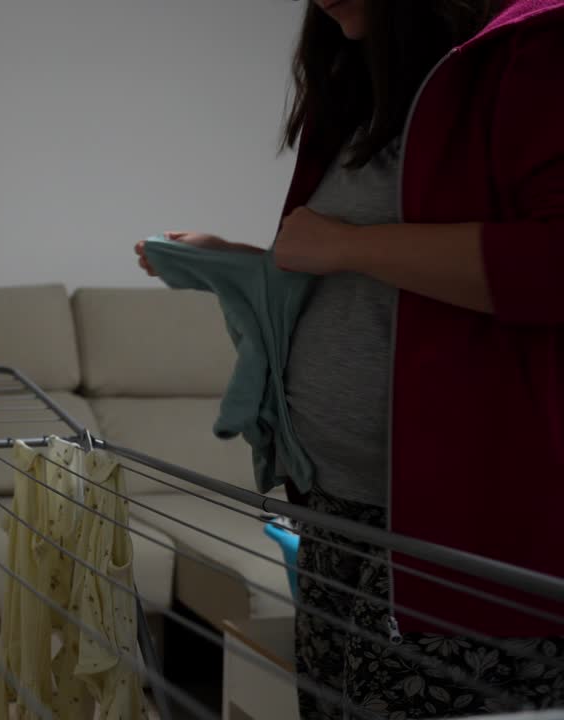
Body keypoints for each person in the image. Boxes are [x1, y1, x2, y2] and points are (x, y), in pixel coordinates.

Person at [136, 0, 564, 717]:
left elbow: (550, 264)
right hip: (336, 507)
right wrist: (242, 260)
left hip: (458, 529)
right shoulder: (363, 91)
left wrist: (345, 245)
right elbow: (365, 274)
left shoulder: (534, 52)